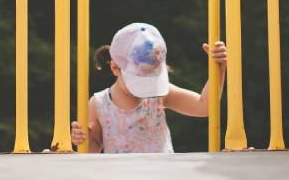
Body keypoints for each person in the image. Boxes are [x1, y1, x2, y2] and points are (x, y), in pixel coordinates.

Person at [70, 22, 227, 153]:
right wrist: (83, 140)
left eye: (152, 80)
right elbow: (92, 149)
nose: (147, 89)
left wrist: (218, 69)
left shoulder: (160, 94)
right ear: (115, 68)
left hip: (162, 179)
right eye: (140, 80)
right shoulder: (99, 104)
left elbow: (204, 106)